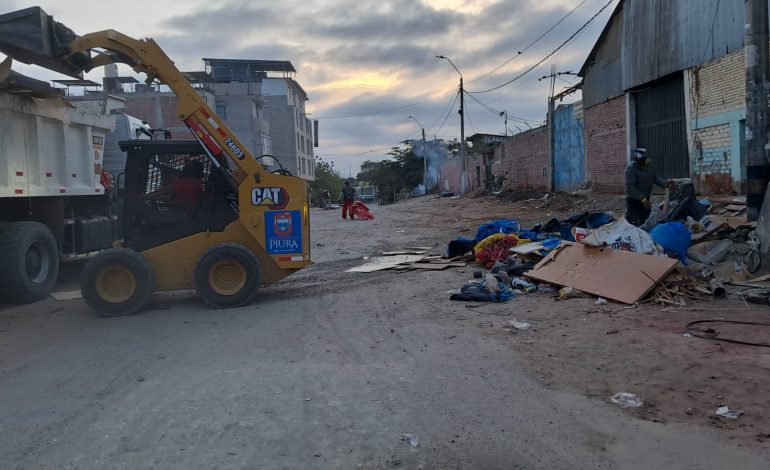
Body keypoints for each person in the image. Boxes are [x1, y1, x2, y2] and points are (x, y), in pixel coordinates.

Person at [624, 148, 673, 226]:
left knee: (646, 222)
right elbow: (630, 187)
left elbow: (655, 177)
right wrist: (643, 199)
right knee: (632, 224)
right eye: (639, 160)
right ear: (635, 159)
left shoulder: (649, 165)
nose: (641, 162)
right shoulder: (630, 169)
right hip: (634, 201)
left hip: (646, 199)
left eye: (643, 160)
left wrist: (665, 184)